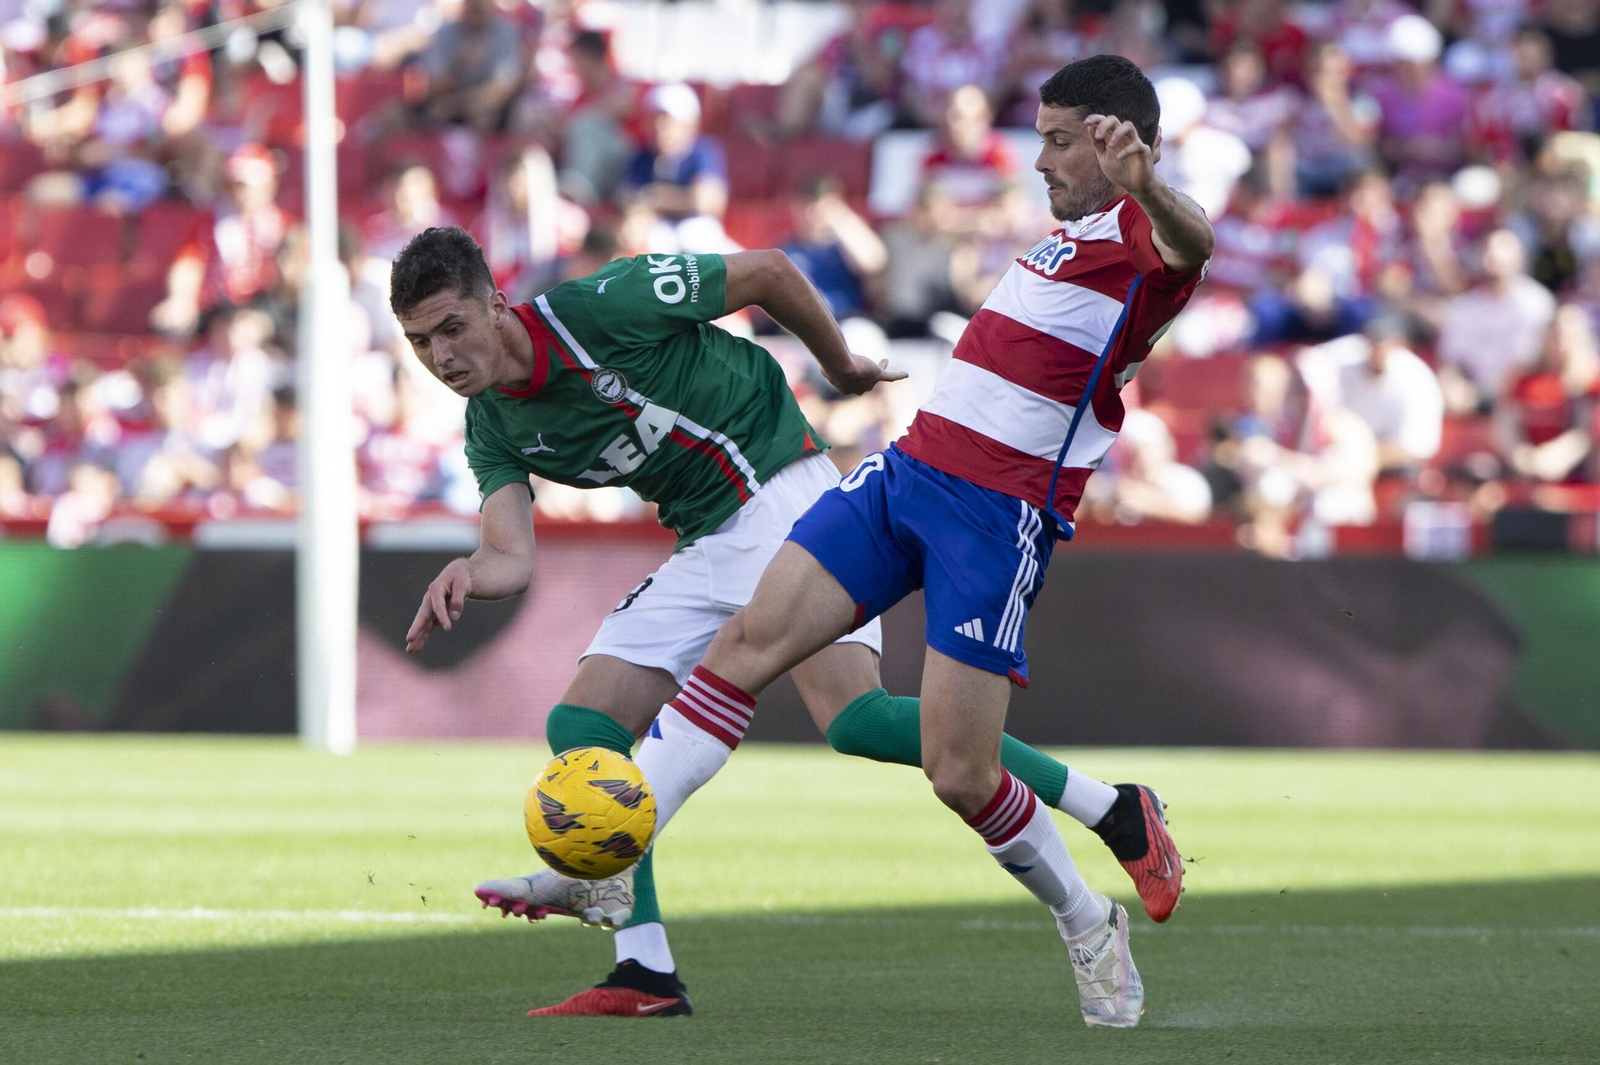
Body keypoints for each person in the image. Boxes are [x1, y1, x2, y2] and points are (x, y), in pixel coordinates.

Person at [390, 225, 1184, 1018]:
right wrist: (471, 570)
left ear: (496, 304)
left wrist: (839, 366)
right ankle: (644, 970)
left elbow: (768, 271)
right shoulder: (490, 421)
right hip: (705, 531)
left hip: (779, 487)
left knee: (857, 718)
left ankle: (1108, 808)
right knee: (585, 721)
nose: (441, 356)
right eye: (421, 342)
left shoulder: (601, 306)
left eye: (452, 328)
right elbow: (511, 555)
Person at [619, 55, 1210, 1027]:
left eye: (1060, 140)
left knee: (958, 772)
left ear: (1118, 142)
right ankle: (618, 862)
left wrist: (1151, 186)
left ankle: (1085, 916)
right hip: (904, 476)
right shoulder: (1066, 238)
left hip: (998, 517)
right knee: (743, 648)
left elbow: (1198, 243)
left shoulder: (1146, 241)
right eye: (1041, 138)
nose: (1040, 161)